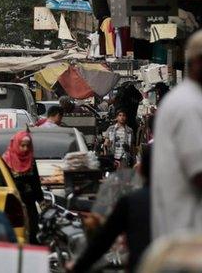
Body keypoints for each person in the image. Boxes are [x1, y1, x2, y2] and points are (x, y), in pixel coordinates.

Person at [151, 29, 202, 238]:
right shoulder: (190, 104)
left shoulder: (184, 99)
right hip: (189, 233)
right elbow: (198, 172)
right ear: (198, 62)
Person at [70, 144, 152, 272]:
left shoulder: (131, 201)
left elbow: (104, 239)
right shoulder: (180, 201)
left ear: (140, 169)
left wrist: (77, 267)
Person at [1, 130, 42, 243]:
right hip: (13, 205)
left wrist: (42, 201)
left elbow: (36, 183)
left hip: (29, 203)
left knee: (33, 231)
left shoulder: (31, 161)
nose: (25, 149)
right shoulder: (6, 160)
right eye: (22, 145)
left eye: (27, 146)